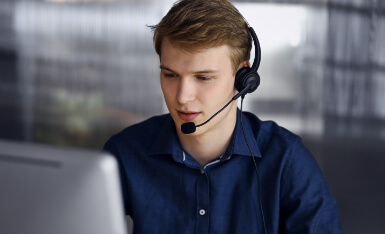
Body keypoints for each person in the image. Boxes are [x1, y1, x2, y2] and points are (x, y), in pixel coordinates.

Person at [103, 0, 344, 233]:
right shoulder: (124, 153)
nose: (183, 97)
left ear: (243, 79)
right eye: (170, 75)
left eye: (203, 78)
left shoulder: (286, 160)